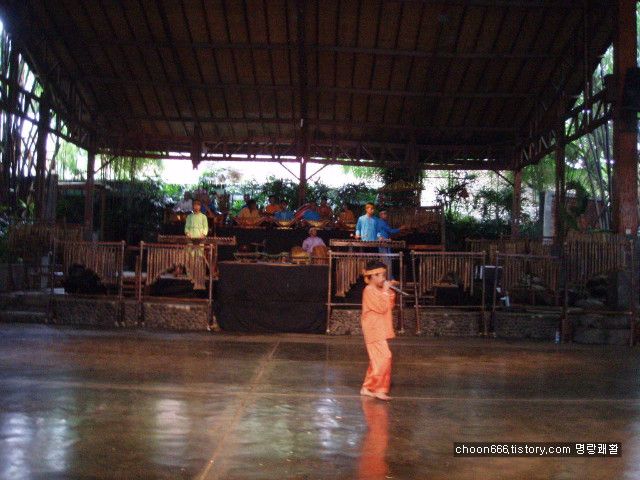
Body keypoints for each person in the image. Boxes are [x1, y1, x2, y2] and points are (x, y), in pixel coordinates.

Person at [360, 260, 396, 401]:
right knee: (384, 358)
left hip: (379, 328)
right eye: (381, 275)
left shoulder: (379, 290)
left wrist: (389, 291)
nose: (383, 278)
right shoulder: (369, 290)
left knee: (378, 359)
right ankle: (378, 389)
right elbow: (381, 307)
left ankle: (368, 388)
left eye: (384, 275)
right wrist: (386, 291)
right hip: (373, 329)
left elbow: (389, 305)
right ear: (373, 276)